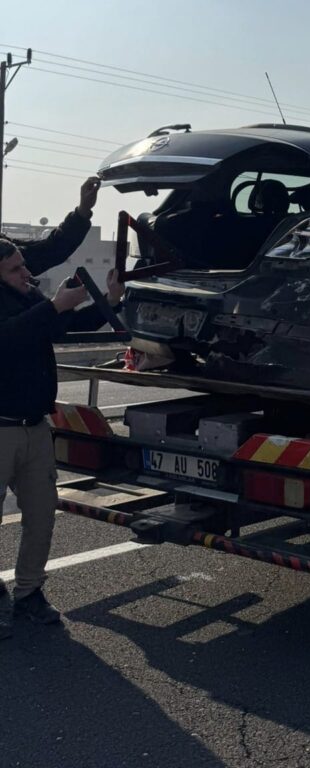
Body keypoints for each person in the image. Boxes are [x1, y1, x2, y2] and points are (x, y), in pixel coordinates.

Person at [0, 182, 122, 639]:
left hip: (35, 427)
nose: (24, 273)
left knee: (41, 513)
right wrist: (52, 305)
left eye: (21, 265)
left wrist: (107, 302)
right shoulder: (20, 304)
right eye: (14, 269)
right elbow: (8, 339)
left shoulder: (29, 295)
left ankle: (29, 593)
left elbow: (64, 325)